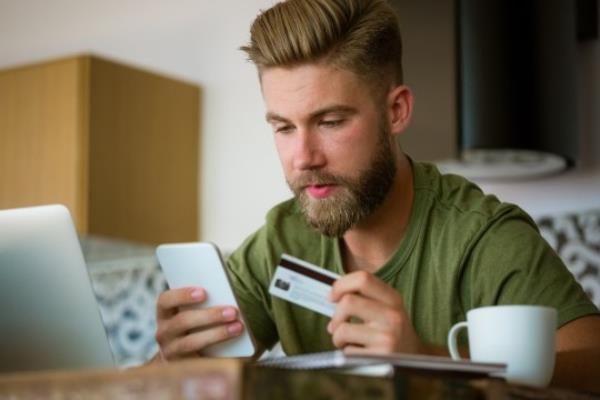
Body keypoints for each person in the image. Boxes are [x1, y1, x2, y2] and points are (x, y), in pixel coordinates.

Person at [153, 0, 600, 390]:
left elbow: (592, 366)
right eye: (284, 127)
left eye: (330, 122)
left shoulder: (484, 238)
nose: (303, 157)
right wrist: (176, 364)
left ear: (396, 111)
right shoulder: (278, 242)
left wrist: (428, 362)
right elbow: (162, 381)